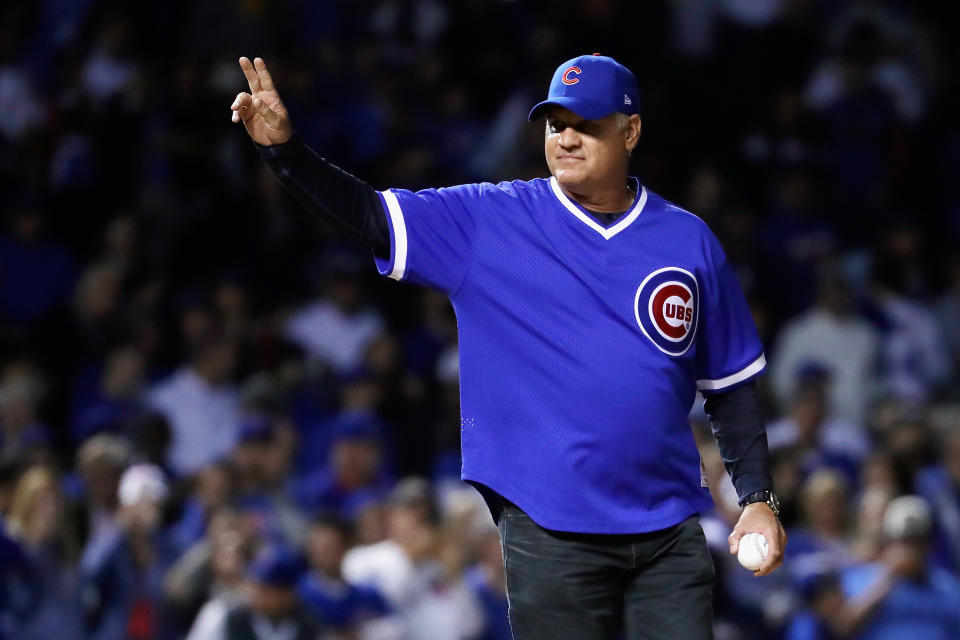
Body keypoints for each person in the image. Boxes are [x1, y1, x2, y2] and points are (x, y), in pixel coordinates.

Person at [232, 52, 786, 639]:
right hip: (551, 529)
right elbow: (369, 215)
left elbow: (731, 387)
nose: (566, 138)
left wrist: (756, 497)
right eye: (555, 124)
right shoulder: (488, 219)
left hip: (669, 529)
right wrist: (285, 154)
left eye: (586, 124)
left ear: (631, 131)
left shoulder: (687, 239)